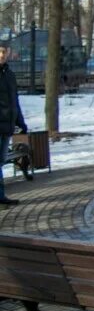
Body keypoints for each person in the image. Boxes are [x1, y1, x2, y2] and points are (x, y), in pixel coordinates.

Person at [0, 44, 28, 205]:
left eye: (5, 52)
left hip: (7, 126)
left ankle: (1, 196)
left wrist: (21, 122)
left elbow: (14, 101)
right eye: (0, 52)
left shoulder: (9, 75)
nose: (3, 55)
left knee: (1, 161)